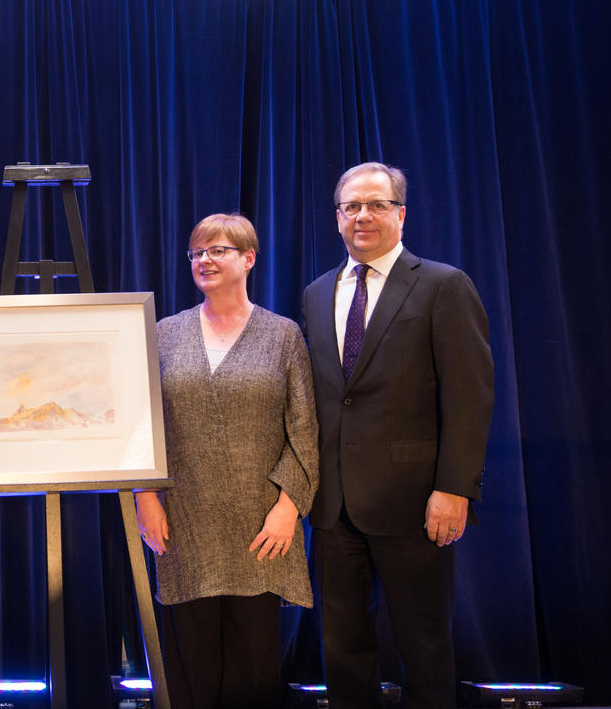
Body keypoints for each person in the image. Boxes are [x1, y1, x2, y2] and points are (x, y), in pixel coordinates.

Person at [301, 162, 494, 709]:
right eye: (351, 206)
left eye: (377, 204)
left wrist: (455, 488)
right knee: (343, 651)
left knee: (425, 646)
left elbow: (469, 396)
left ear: (401, 213)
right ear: (338, 217)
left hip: (416, 505)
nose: (363, 215)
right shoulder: (317, 294)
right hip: (335, 507)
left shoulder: (443, 285)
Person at [136, 213, 319, 709]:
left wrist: (289, 508)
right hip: (184, 525)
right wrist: (144, 495)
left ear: (249, 258)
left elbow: (304, 430)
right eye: (197, 252)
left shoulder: (283, 336)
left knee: (252, 674)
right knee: (190, 672)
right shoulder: (163, 335)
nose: (205, 260)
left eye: (218, 250)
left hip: (260, 531)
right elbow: (139, 424)